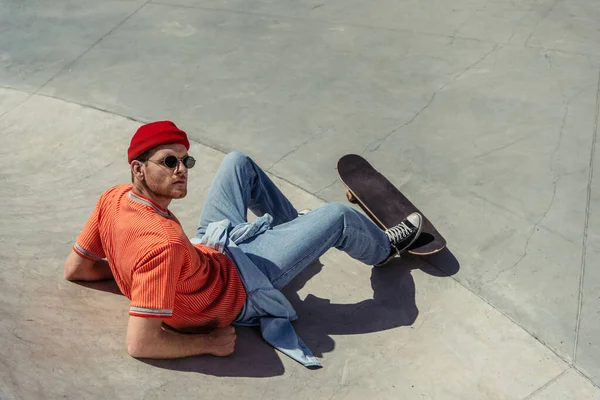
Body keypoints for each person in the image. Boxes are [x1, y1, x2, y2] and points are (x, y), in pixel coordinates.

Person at [64, 121, 423, 368]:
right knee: (337, 216)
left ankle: (293, 229)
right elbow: (141, 344)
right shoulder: (163, 245)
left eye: (185, 160)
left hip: (209, 250)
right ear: (138, 169)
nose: (181, 169)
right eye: (169, 161)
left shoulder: (114, 198)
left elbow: (76, 270)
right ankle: (383, 249)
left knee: (238, 163)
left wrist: (140, 278)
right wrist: (206, 343)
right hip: (241, 287)